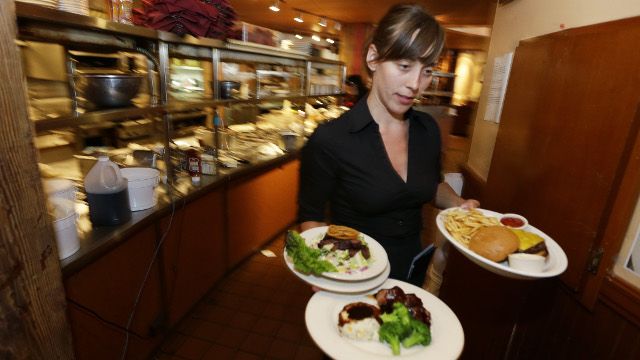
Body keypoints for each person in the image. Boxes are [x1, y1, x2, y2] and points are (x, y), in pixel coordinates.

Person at [297, 4, 479, 287]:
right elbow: (311, 217)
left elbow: (431, 184)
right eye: (404, 66)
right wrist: (320, 270)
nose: (416, 84)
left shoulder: (427, 130)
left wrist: (457, 203)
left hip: (410, 271)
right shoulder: (331, 139)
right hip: (353, 275)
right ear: (373, 58)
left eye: (427, 70)